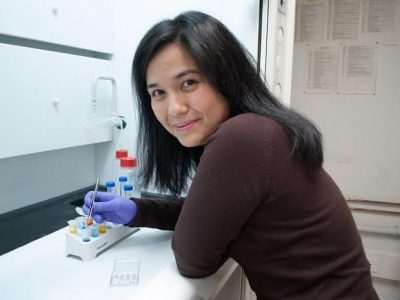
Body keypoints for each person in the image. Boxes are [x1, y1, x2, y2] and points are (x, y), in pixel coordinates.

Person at [83, 11, 378, 299]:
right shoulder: (261, 130)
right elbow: (210, 213)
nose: (173, 108)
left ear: (226, 75)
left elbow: (193, 259)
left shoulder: (244, 136)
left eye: (188, 83)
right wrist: (136, 210)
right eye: (158, 93)